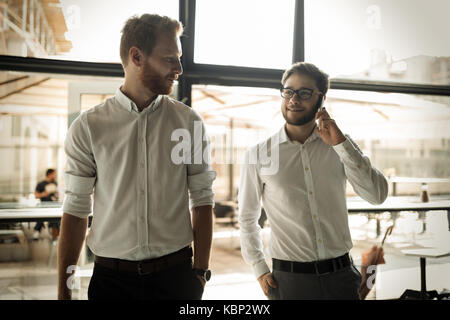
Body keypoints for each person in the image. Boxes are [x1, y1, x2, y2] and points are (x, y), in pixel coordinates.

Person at [57, 14, 216, 300]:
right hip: (111, 284)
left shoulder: (188, 122)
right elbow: (76, 210)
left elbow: (202, 199)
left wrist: (200, 273)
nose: (179, 68)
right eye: (170, 59)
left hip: (176, 279)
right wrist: (64, 292)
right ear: (137, 57)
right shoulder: (88, 126)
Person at [238, 62, 388, 300]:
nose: (294, 99)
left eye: (304, 93)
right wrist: (259, 268)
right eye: (288, 91)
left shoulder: (340, 145)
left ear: (322, 98)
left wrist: (341, 145)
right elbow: (247, 218)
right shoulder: (259, 154)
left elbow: (377, 195)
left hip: (342, 278)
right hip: (289, 281)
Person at [33, 168, 59, 240]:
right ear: (49, 174)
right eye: (54, 174)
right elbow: (36, 195)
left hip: (53, 205)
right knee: (40, 220)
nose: (55, 175)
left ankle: (54, 236)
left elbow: (56, 194)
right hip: (43, 206)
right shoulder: (41, 184)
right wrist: (44, 194)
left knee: (55, 221)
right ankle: (36, 233)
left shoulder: (55, 183)